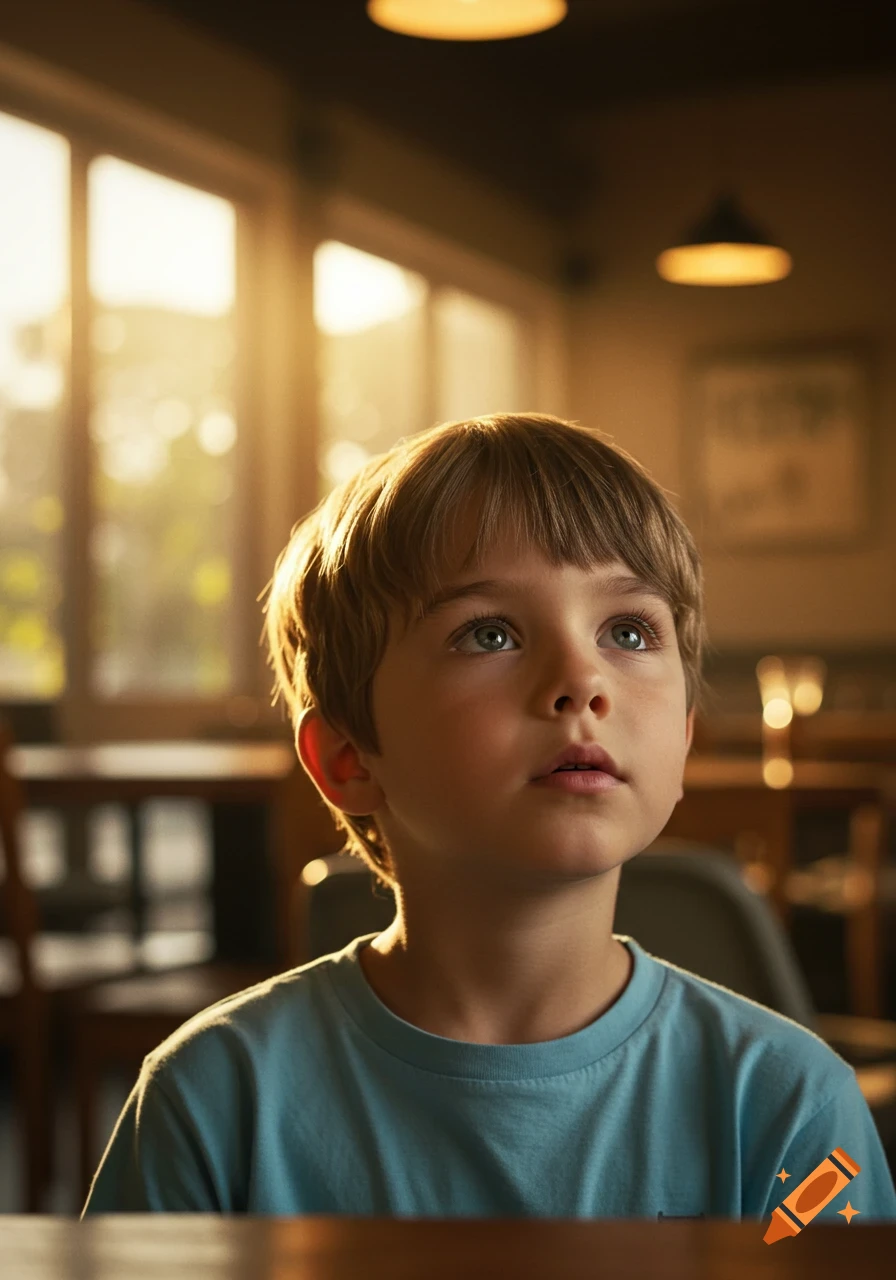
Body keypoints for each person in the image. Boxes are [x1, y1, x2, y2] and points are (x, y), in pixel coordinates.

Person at [81, 413, 896, 1221]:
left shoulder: (792, 1109)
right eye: (490, 633)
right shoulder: (212, 1102)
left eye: (628, 630)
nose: (581, 680)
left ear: (682, 740)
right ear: (348, 758)